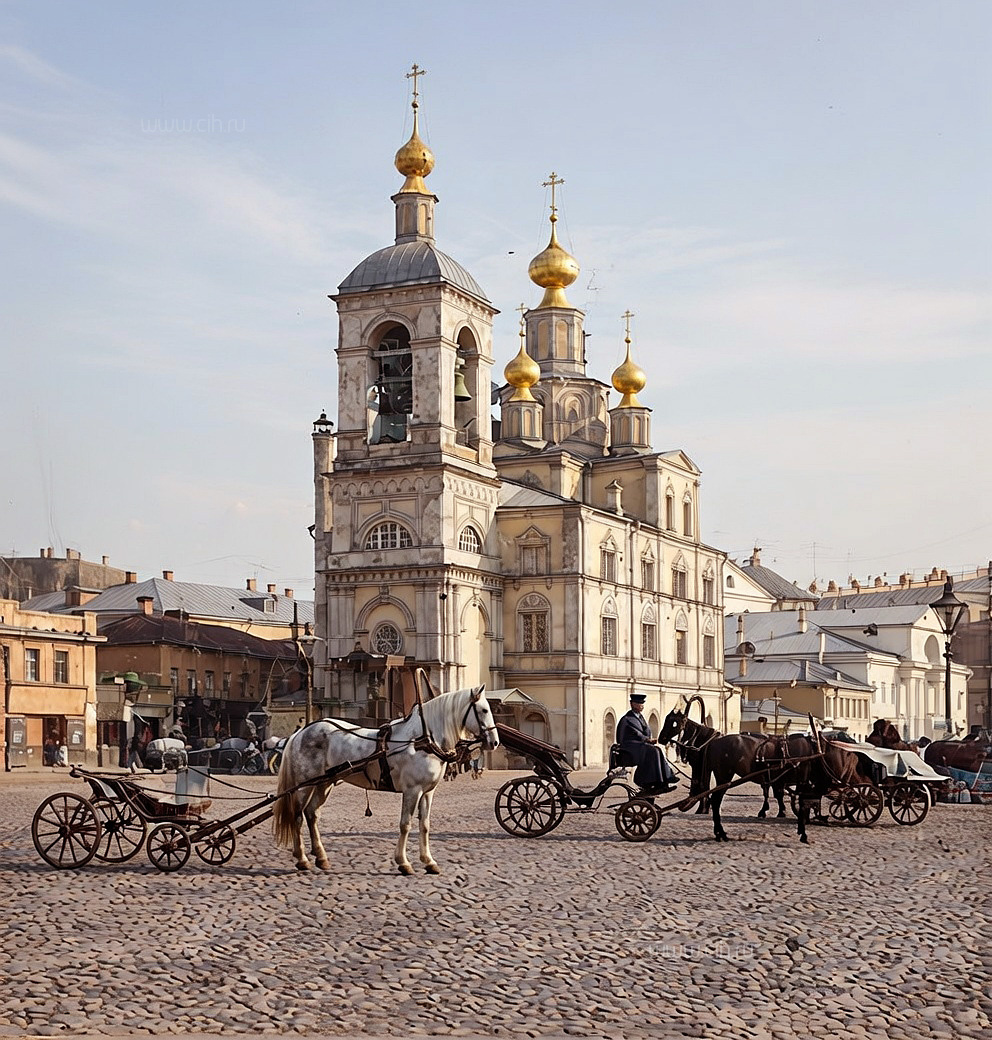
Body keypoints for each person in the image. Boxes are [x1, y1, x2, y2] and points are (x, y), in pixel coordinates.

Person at [616, 694, 678, 794]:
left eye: (642, 703)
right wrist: (646, 740)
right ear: (632, 704)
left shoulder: (640, 718)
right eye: (638, 703)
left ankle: (664, 780)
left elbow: (646, 732)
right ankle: (653, 782)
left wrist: (649, 740)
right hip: (629, 748)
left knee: (657, 749)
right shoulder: (627, 719)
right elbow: (630, 735)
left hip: (640, 746)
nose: (641, 705)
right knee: (653, 751)